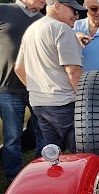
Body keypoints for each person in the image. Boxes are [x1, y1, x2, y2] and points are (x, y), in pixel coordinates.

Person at [15, 0, 85, 154]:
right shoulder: (62, 29)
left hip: (39, 104)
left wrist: (39, 89)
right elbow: (73, 71)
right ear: (57, 6)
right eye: (73, 11)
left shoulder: (31, 30)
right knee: (83, 152)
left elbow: (19, 68)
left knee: (53, 155)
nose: (76, 16)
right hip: (64, 103)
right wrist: (84, 102)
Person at [0, 0, 47, 184]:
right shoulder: (3, 10)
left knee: (43, 131)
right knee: (12, 137)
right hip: (8, 88)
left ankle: (40, 172)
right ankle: (14, 179)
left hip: (38, 87)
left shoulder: (43, 20)